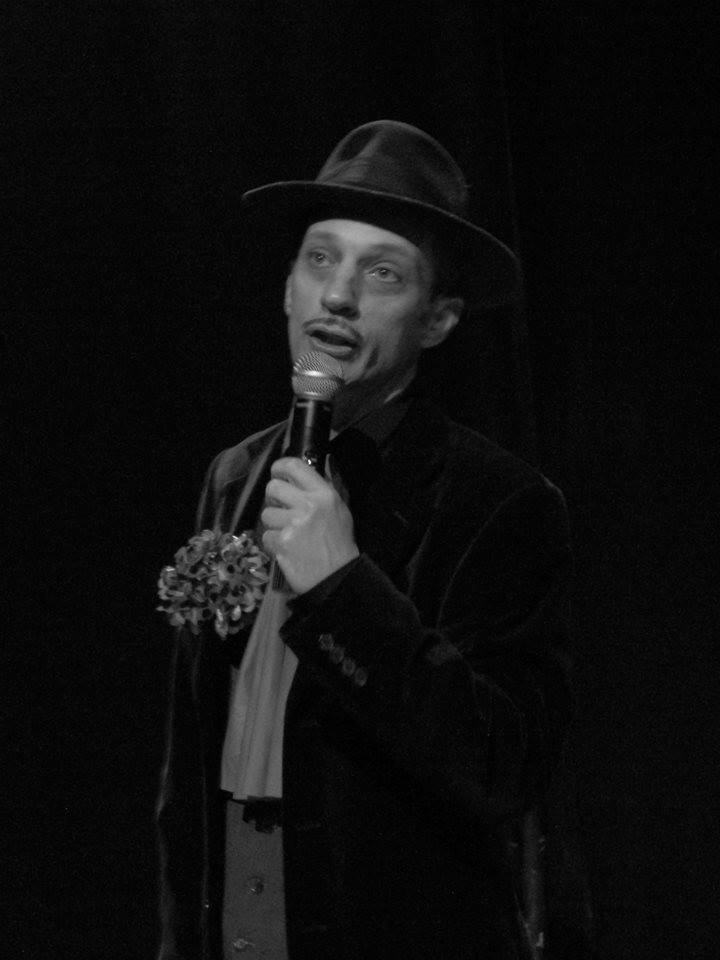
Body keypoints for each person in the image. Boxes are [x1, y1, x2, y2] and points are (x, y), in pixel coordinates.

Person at [157, 120, 575, 960]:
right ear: (287, 289)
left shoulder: (500, 501)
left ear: (439, 320)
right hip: (239, 924)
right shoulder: (233, 476)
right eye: (320, 260)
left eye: (382, 273)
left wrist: (343, 587)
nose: (339, 296)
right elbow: (187, 766)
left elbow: (501, 767)